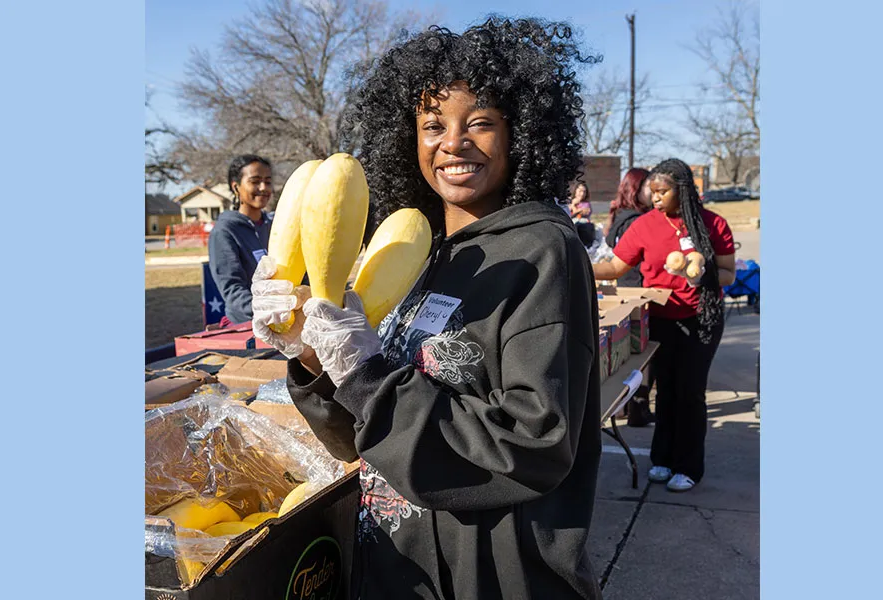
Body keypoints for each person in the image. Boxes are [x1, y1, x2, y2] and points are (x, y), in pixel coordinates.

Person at [251, 17, 603, 599]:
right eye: (433, 125)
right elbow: (358, 438)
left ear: (520, 133)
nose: (453, 142)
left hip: (489, 576)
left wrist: (366, 375)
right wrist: (315, 357)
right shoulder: (414, 251)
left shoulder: (544, 251)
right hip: (396, 569)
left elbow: (535, 444)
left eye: (480, 123)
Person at [592, 158, 736, 493]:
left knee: (690, 392)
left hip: (701, 319)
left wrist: (704, 276)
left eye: (662, 192)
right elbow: (615, 267)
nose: (655, 198)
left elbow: (729, 273)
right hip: (659, 319)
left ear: (682, 190)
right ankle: (663, 459)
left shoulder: (713, 223)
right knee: (666, 390)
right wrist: (576, 264)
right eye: (652, 192)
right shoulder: (644, 225)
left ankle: (688, 466)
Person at [601, 167, 655, 426]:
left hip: (625, 287)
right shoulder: (637, 221)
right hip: (638, 290)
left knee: (626, 353)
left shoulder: (619, 216)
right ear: (636, 189)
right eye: (649, 187)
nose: (654, 193)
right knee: (641, 354)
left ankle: (623, 408)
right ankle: (637, 408)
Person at [208, 154, 274, 326]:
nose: (263, 188)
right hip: (248, 325)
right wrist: (269, 310)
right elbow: (233, 289)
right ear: (236, 187)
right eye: (255, 181)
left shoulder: (277, 226)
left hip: (286, 319)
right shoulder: (225, 231)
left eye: (268, 182)